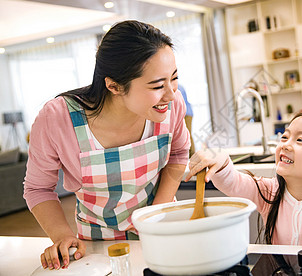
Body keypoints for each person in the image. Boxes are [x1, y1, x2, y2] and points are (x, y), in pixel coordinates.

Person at [23, 20, 190, 270]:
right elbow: (38, 188)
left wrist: (154, 215)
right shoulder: (57, 119)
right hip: (98, 246)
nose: (170, 93)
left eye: (173, 79)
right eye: (157, 85)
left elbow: (178, 154)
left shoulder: (170, 105)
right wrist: (61, 236)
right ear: (113, 85)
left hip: (162, 229)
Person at [187, 109, 302, 246]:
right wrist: (221, 160)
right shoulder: (269, 192)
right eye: (285, 137)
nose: (286, 145)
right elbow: (233, 182)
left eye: (300, 140)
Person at [178, 84, 195, 157]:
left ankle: (192, 156)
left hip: (186, 113)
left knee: (187, 135)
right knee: (187, 135)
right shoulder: (179, 86)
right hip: (186, 112)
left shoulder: (178, 88)